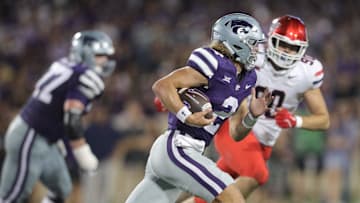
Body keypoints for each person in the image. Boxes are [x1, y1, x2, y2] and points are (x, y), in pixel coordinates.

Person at [125, 12, 271, 203]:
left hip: (186, 152)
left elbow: (237, 133)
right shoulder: (214, 61)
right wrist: (187, 116)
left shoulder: (248, 79)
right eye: (252, 43)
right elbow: (162, 85)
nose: (256, 50)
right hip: (178, 147)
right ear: (236, 42)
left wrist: (252, 115)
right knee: (232, 197)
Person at [190, 15, 330, 203]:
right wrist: (185, 92)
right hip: (236, 128)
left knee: (208, 195)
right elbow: (214, 74)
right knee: (257, 174)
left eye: (293, 47)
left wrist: (295, 120)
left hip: (263, 144)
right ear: (270, 39)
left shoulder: (306, 72)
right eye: (282, 44)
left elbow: (323, 120)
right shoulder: (251, 56)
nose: (286, 52)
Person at [0, 30, 116, 203]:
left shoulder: (65, 65)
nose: (105, 60)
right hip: (30, 135)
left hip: (45, 138)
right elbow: (72, 117)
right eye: (100, 55)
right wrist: (83, 153)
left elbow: (56, 109)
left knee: (62, 188)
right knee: (13, 196)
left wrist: (58, 137)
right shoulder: (83, 76)